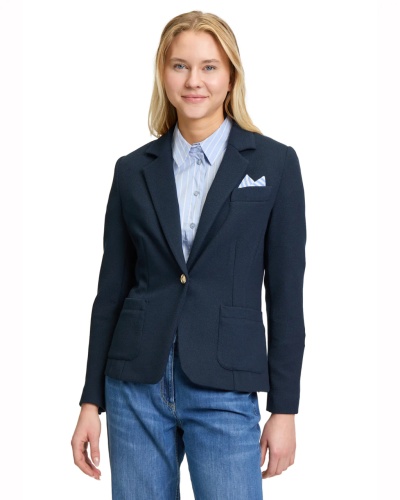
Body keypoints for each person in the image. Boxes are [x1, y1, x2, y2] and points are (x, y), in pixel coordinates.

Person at [71, 10, 306, 499]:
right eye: (180, 66)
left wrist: (284, 409)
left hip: (224, 385)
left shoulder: (275, 164)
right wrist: (91, 401)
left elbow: (286, 297)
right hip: (135, 386)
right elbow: (110, 292)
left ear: (231, 76)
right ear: (163, 73)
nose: (194, 80)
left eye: (209, 67)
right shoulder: (132, 170)